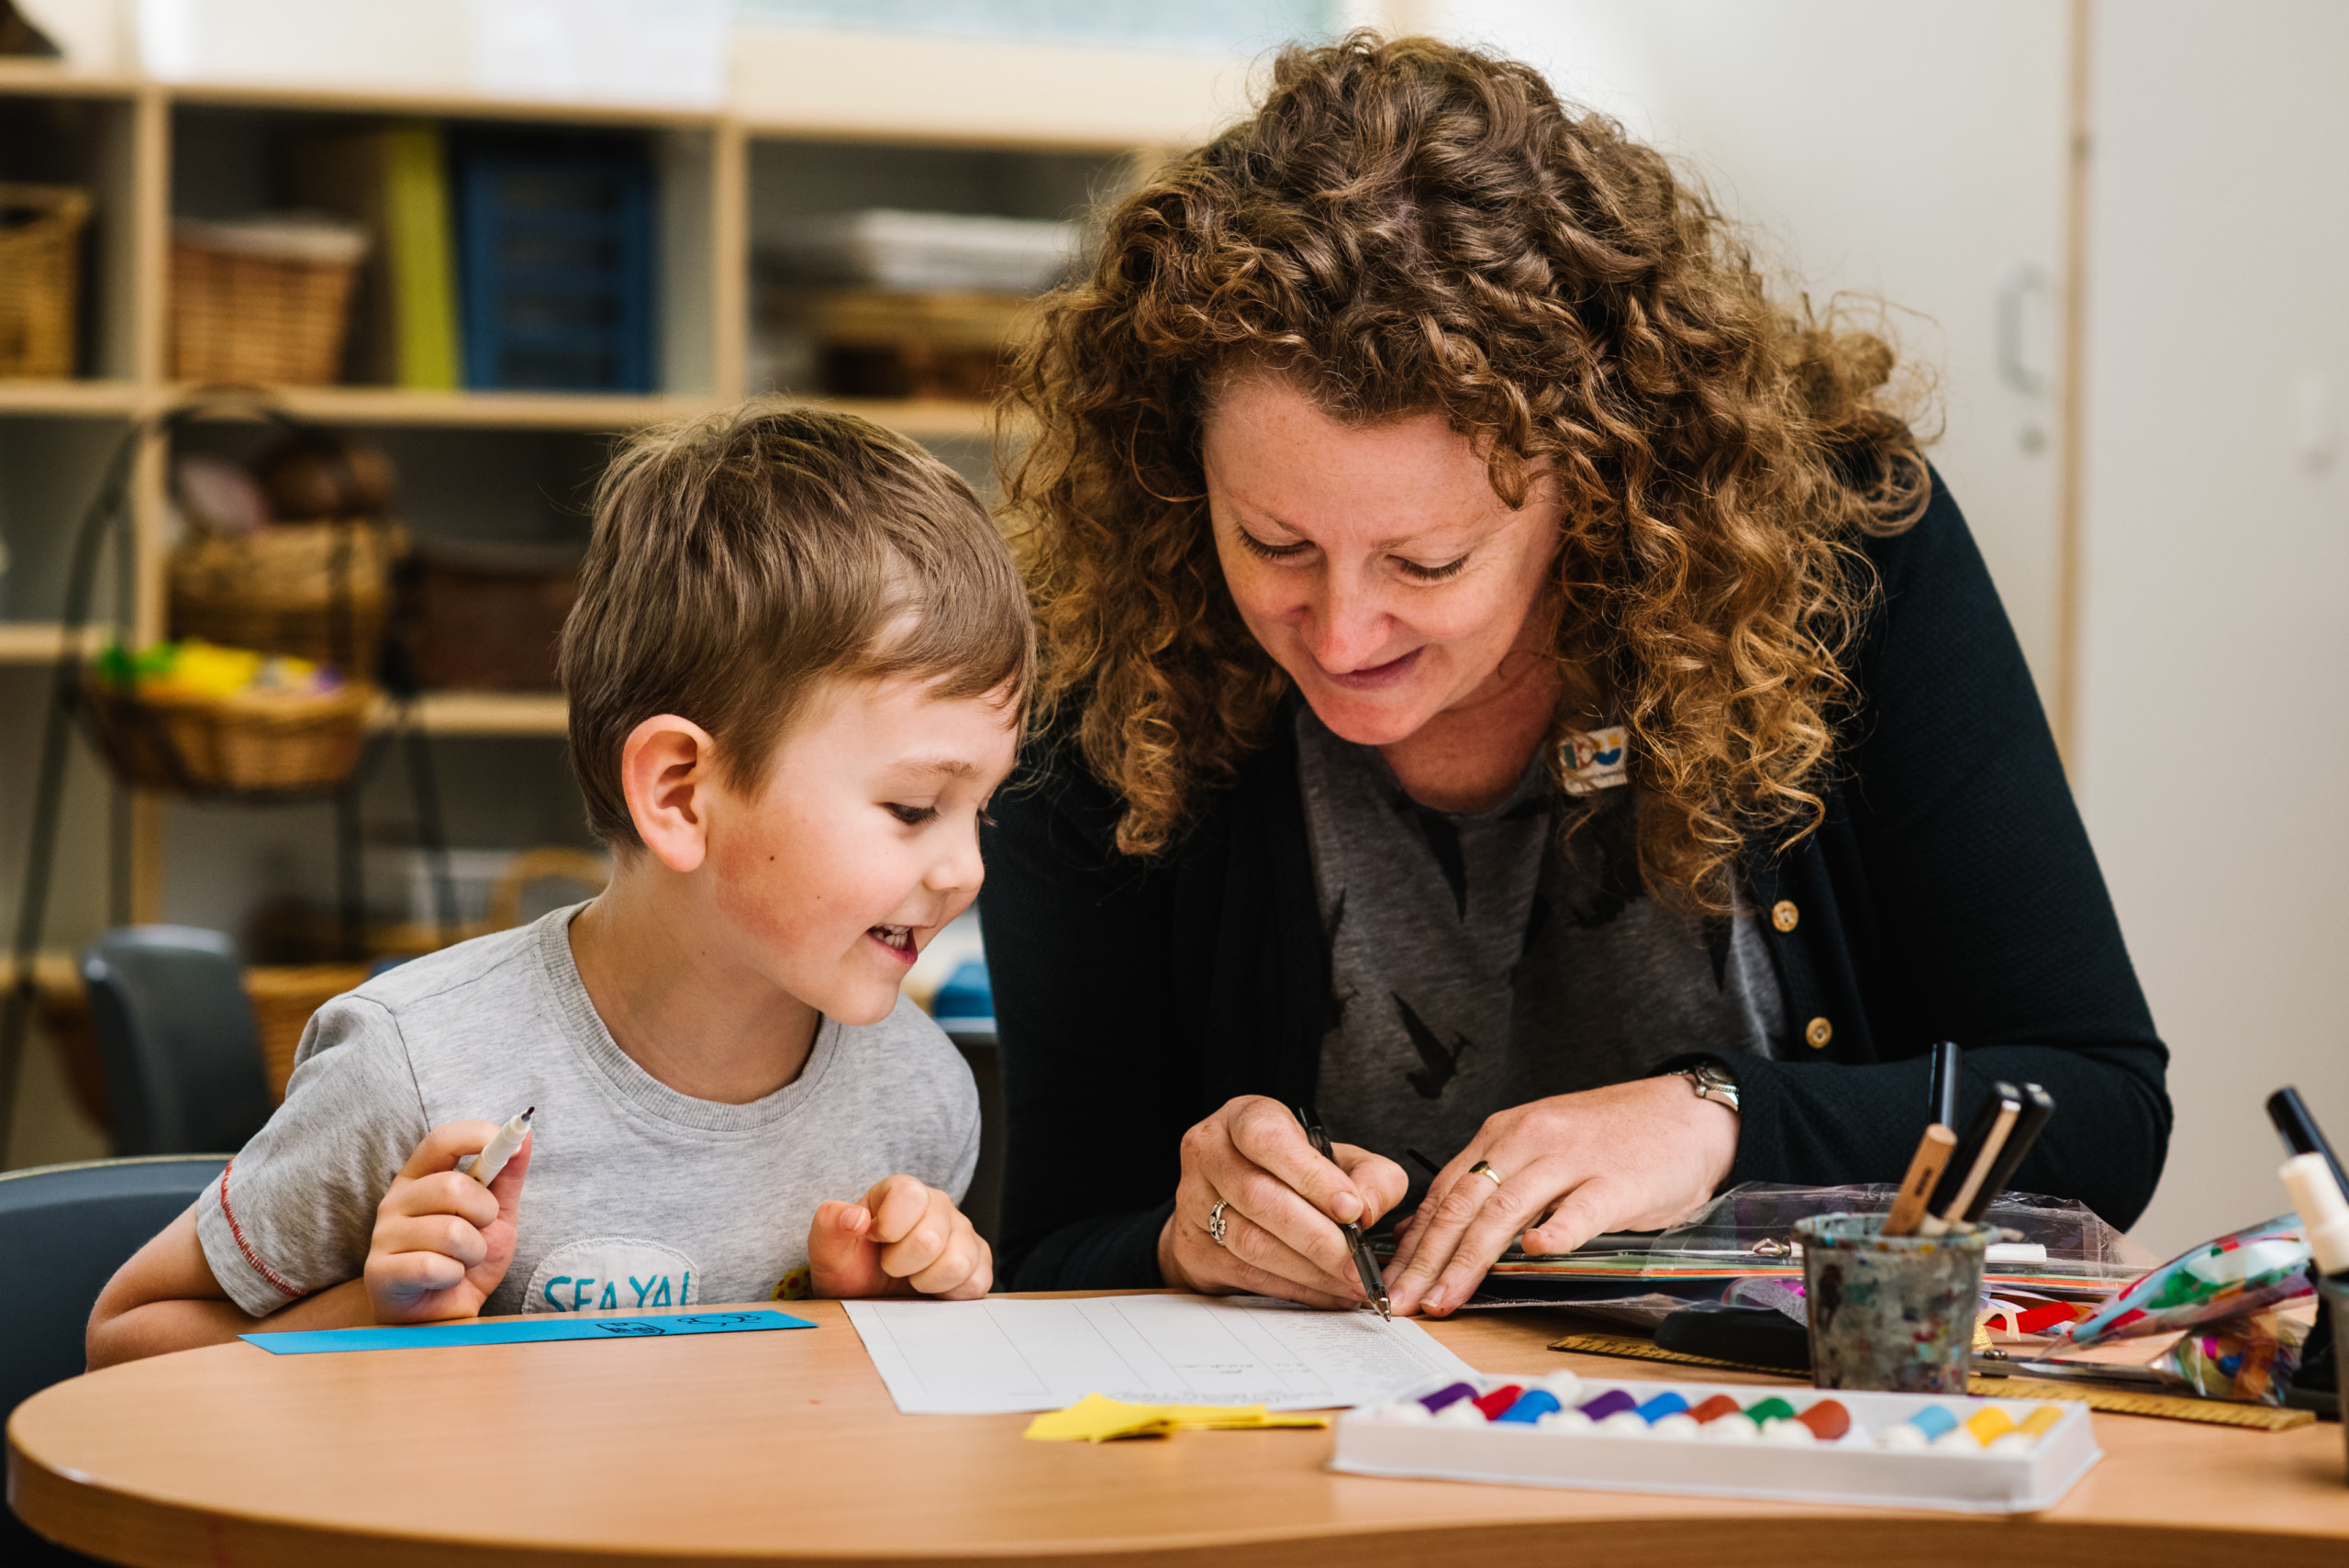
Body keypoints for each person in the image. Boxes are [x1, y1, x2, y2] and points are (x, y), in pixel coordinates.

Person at [981, 33, 2169, 1318]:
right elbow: (1055, 1239)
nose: (1339, 634)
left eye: (1428, 563)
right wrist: (1181, 1231)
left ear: (1594, 492)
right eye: (1273, 545)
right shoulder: (1115, 645)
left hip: (1793, 1450)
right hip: (1320, 1477)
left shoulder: (1839, 556)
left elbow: (2101, 1108)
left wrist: (1718, 1119)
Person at [87, 404, 1030, 1365]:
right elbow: (124, 1347)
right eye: (915, 808)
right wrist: (373, 1318)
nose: (966, 870)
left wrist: (868, 1319)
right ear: (679, 793)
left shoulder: (921, 1099)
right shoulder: (415, 1067)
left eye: (981, 811)